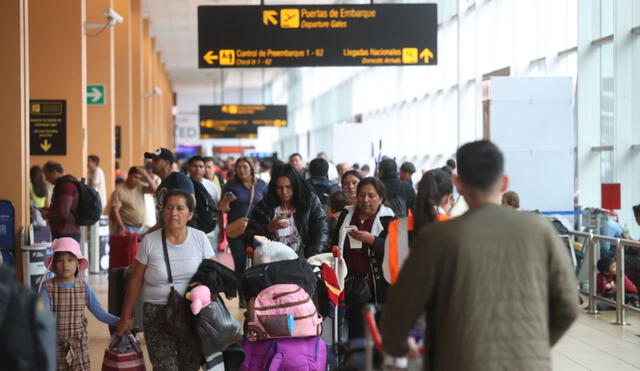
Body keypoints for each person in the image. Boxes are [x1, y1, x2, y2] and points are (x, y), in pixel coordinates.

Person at [382, 140, 578, 369]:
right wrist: (533, 346)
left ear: (457, 183)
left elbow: (399, 312)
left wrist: (401, 348)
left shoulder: (439, 237)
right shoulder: (540, 229)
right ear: (504, 182)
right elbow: (568, 306)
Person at [115, 189, 215, 370]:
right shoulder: (150, 241)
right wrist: (125, 316)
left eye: (179, 208)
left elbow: (214, 273)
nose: (173, 213)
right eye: (168, 207)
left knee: (189, 366)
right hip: (156, 313)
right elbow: (135, 280)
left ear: (190, 214)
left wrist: (205, 285)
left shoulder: (199, 238)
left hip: (191, 313)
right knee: (164, 367)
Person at [41, 238, 119, 370]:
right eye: (60, 260)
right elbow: (42, 318)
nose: (65, 264)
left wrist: (120, 321)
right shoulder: (47, 288)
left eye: (70, 259)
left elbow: (100, 313)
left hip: (79, 347)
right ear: (53, 264)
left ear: (78, 263)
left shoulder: (84, 288)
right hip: (54, 347)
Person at [331, 177, 395, 340]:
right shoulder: (347, 214)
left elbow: (397, 251)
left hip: (377, 287)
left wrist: (372, 240)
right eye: (361, 195)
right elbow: (334, 241)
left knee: (376, 333)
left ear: (381, 198)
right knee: (353, 332)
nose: (365, 200)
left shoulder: (390, 220)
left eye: (371, 196)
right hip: (348, 283)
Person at [245, 164, 328, 258]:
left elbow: (321, 231)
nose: (284, 192)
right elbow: (249, 236)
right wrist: (268, 228)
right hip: (272, 263)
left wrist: (312, 258)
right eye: (279, 188)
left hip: (304, 261)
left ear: (296, 185)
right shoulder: (264, 207)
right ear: (274, 187)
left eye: (288, 187)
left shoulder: (310, 202)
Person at [218, 157, 268, 305]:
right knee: (240, 263)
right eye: (239, 167)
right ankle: (242, 296)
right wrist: (227, 201)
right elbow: (223, 209)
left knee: (258, 262)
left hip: (257, 229)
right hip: (237, 229)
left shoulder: (261, 185)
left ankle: (257, 294)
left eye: (245, 167)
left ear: (251, 168)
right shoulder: (231, 185)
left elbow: (267, 205)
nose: (241, 170)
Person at [144, 148, 194, 233]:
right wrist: (145, 235)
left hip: (183, 235)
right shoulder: (160, 187)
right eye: (152, 160)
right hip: (167, 235)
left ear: (166, 163)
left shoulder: (179, 178)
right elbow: (161, 222)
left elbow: (192, 203)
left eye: (156, 160)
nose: (152, 163)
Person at [109, 166, 156, 235]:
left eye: (139, 178)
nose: (137, 180)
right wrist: (122, 227)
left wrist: (146, 176)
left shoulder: (139, 186)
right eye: (135, 177)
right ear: (129, 176)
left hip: (141, 228)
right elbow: (115, 210)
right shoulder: (119, 190)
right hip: (127, 228)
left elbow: (155, 190)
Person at [42, 161, 81, 242]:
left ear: (53, 172)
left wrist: (48, 214)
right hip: (64, 232)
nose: (46, 179)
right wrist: (49, 209)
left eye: (46, 175)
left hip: (66, 233)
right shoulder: (62, 185)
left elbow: (63, 213)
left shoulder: (66, 186)